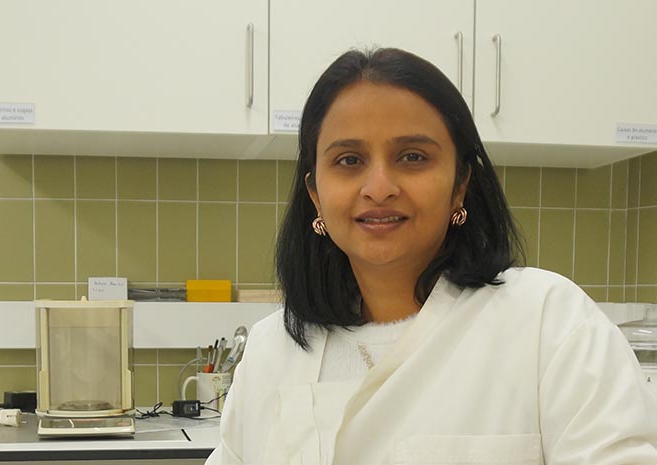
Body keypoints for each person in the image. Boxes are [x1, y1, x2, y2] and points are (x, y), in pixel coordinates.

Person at [205, 48, 657, 464]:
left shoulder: (550, 323)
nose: (379, 187)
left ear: (460, 183)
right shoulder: (271, 351)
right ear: (315, 194)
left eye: (412, 156)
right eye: (349, 160)